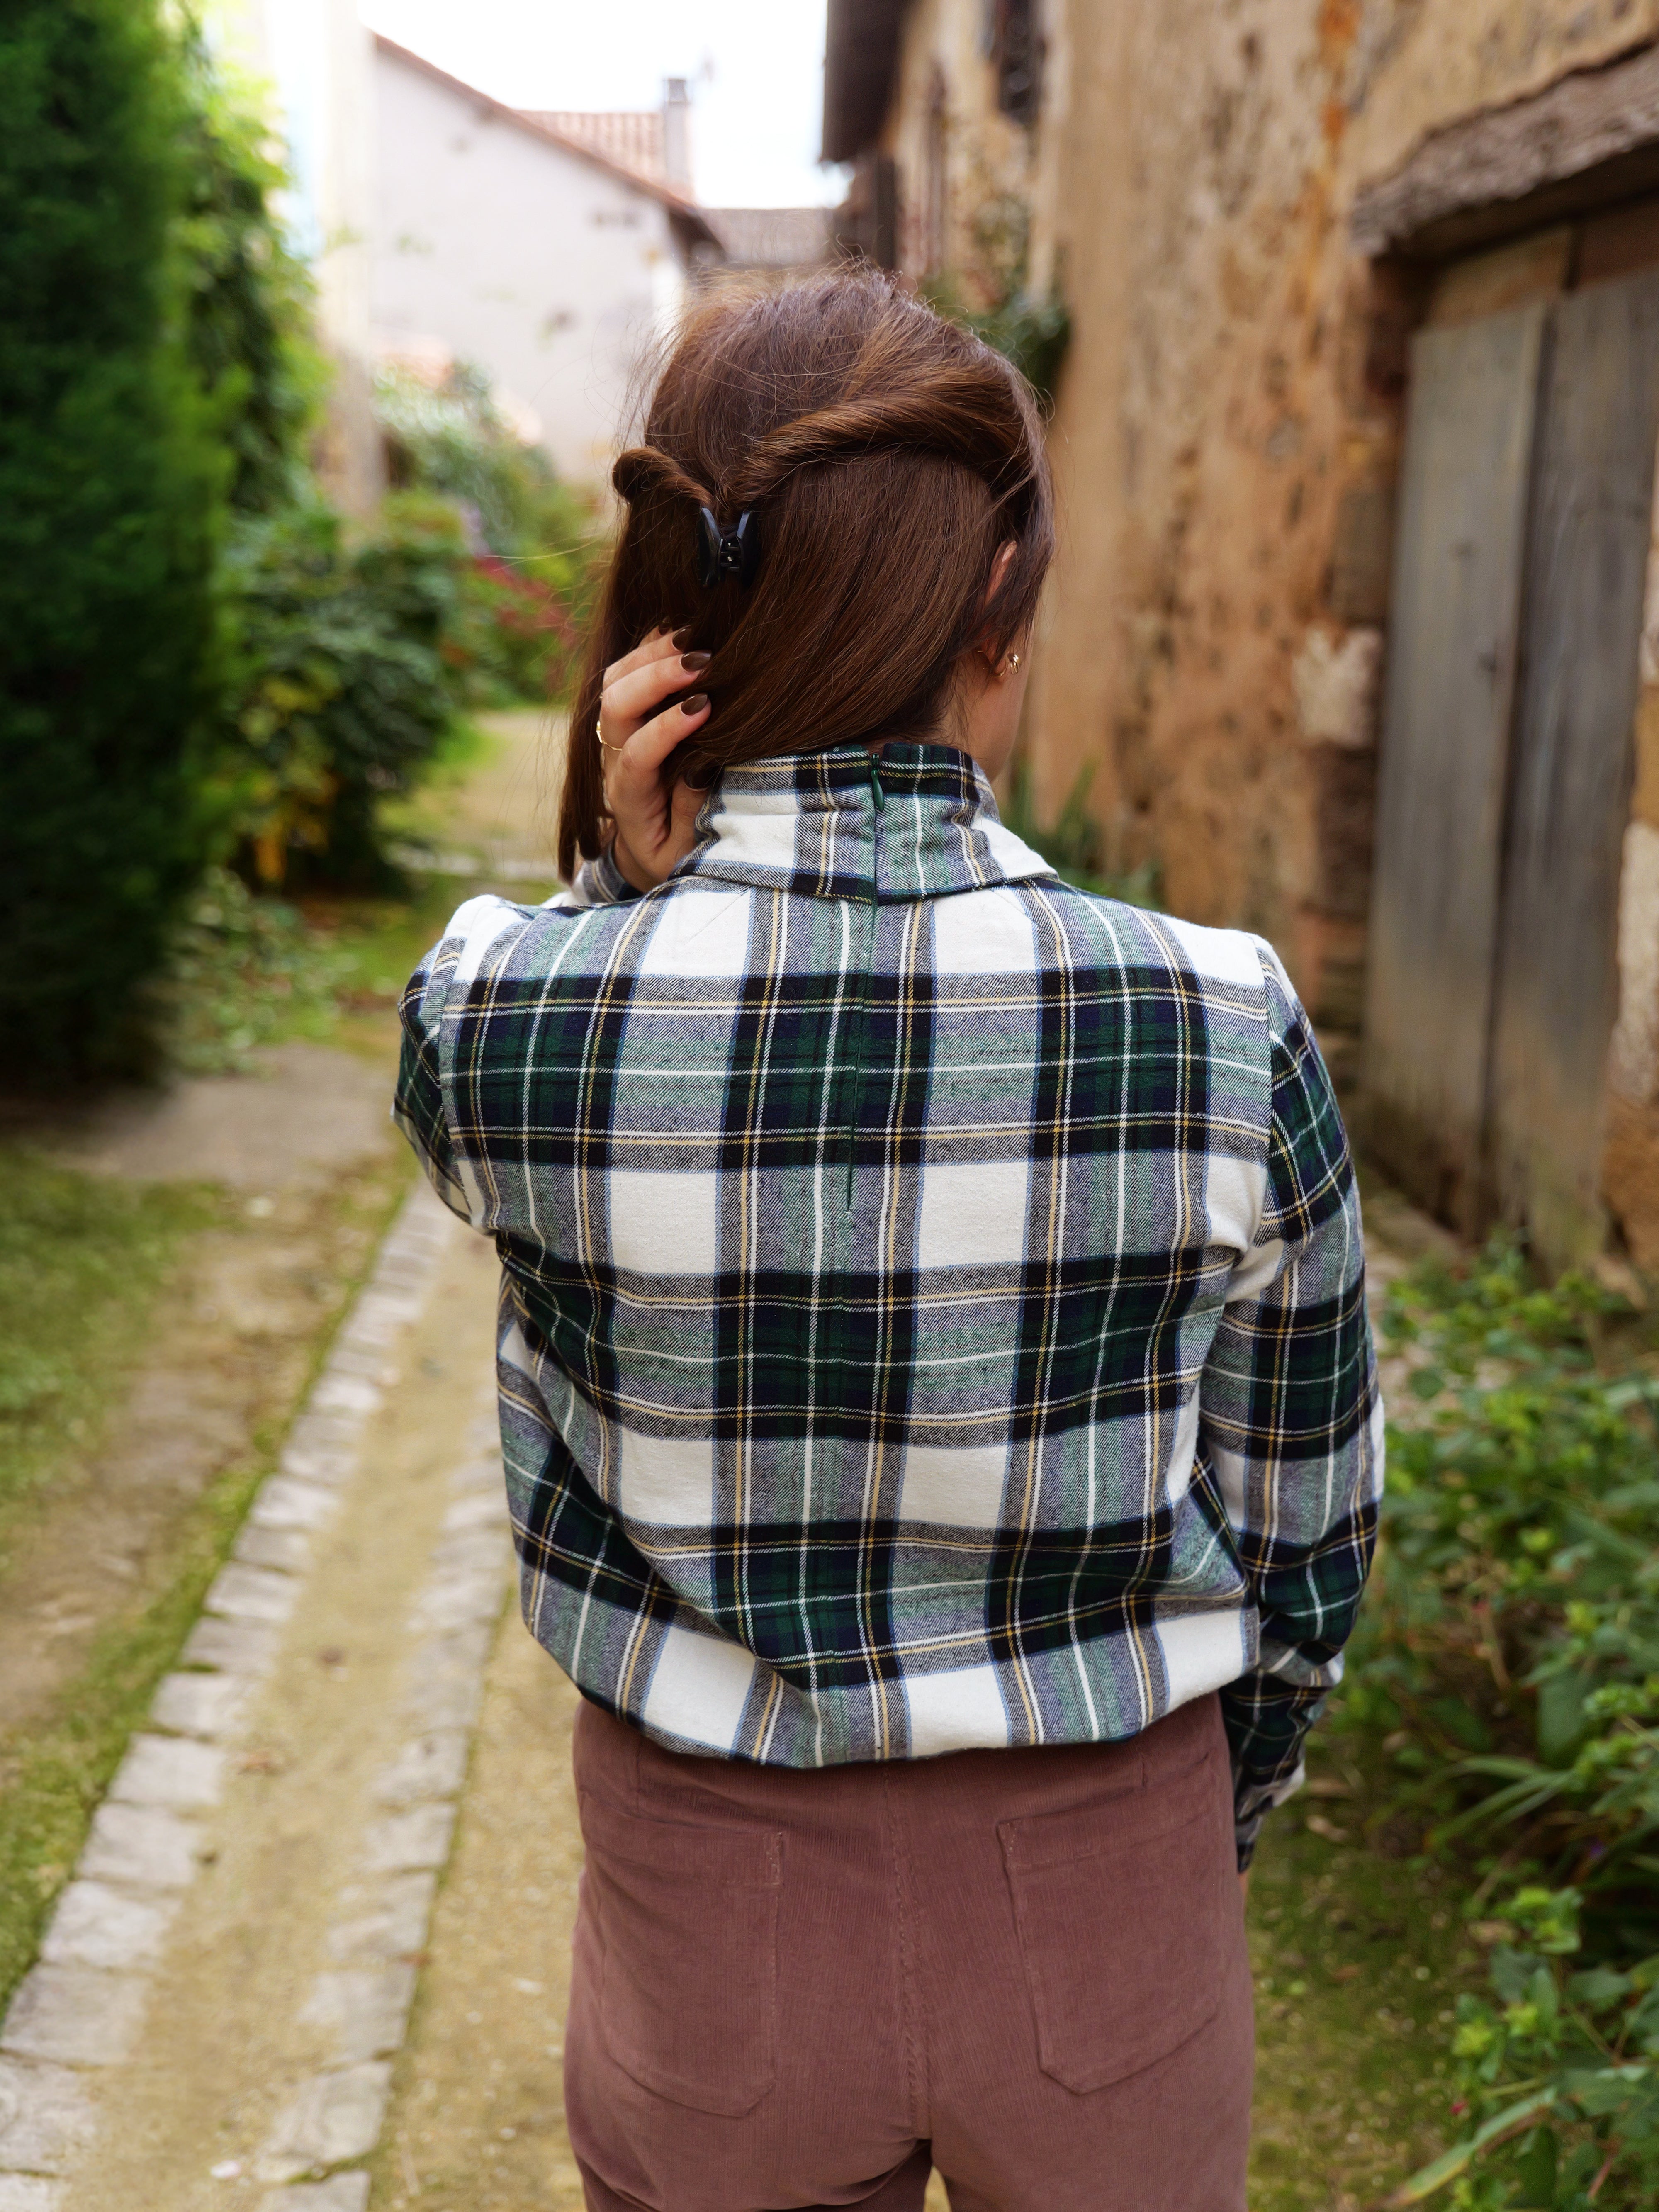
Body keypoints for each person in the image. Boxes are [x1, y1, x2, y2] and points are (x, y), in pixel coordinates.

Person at [394, 266, 1382, 2212]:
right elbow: (1306, 1529)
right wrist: (1206, 1815)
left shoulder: (501, 1013)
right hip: (1103, 1869)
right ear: (997, 595)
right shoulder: (1218, 1016)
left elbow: (509, 1064)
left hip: (713, 1904)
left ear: (670, 613)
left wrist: (616, 877)